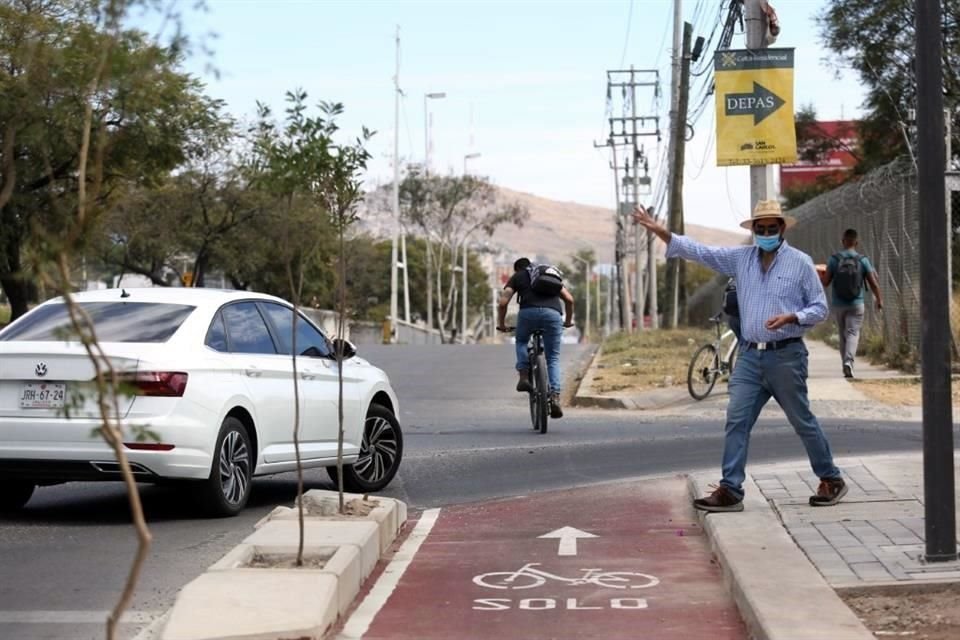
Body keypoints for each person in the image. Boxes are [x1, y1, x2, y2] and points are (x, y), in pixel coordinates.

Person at [633, 200, 847, 513]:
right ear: (753, 231)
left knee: (802, 420)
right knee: (737, 420)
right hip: (749, 357)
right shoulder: (741, 259)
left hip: (786, 356)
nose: (765, 234)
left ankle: (831, 478)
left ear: (782, 229)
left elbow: (819, 308)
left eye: (771, 229)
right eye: (759, 230)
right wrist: (661, 232)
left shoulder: (800, 263)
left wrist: (792, 317)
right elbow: (701, 252)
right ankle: (731, 489)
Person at [497, 257, 575, 418]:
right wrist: (567, 322)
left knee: (521, 341)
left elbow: (503, 302)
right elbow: (569, 299)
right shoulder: (547, 274)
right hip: (553, 315)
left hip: (528, 314)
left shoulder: (518, 276)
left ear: (517, 268)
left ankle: (524, 376)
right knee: (552, 358)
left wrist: (502, 324)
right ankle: (554, 396)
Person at [821, 229, 883, 379]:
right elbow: (873, 284)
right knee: (853, 333)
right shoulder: (863, 260)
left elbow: (826, 282)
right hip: (857, 303)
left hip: (839, 304)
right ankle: (849, 362)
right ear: (856, 242)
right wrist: (879, 300)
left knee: (843, 335)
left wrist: (822, 273)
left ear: (843, 241)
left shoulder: (834, 259)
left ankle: (845, 364)